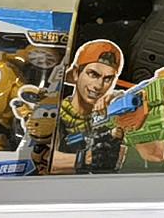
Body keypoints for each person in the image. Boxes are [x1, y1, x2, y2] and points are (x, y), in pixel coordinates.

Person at [48, 40, 123, 174]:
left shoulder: (112, 114)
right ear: (76, 73)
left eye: (107, 79)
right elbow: (41, 157)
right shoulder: (53, 113)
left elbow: (155, 154)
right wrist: (84, 159)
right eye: (93, 74)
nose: (98, 85)